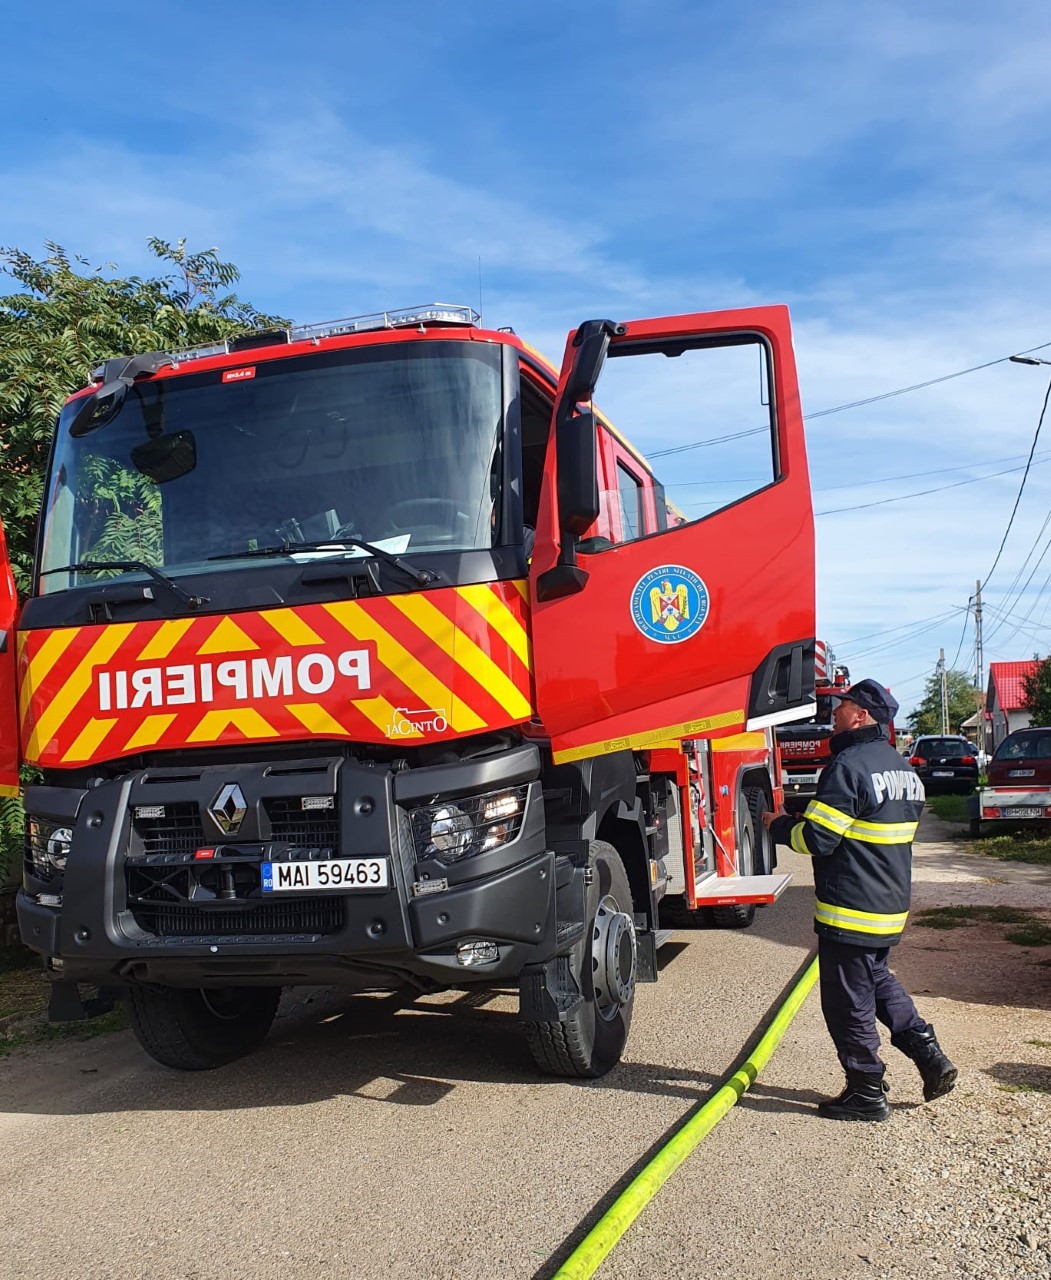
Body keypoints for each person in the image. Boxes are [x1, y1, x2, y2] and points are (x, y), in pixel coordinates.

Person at [762, 678, 958, 1122]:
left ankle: (866, 1091)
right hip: (887, 903)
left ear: (861, 716)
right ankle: (930, 1057)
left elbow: (818, 839)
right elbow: (862, 827)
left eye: (843, 705)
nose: (834, 712)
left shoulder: (848, 766)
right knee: (877, 980)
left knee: (847, 1001)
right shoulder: (902, 768)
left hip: (851, 906)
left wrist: (779, 825)